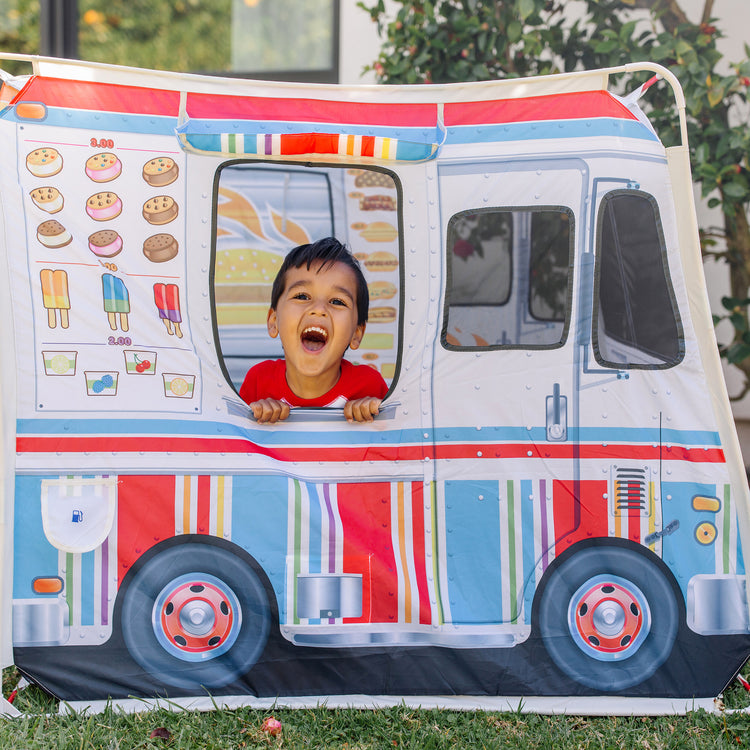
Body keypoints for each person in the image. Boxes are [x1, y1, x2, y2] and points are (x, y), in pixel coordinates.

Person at [239, 237, 388, 423]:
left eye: (337, 301)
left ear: (357, 334)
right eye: (302, 296)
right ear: (274, 321)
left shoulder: (369, 385)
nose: (319, 309)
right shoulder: (259, 382)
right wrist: (258, 417)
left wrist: (373, 413)